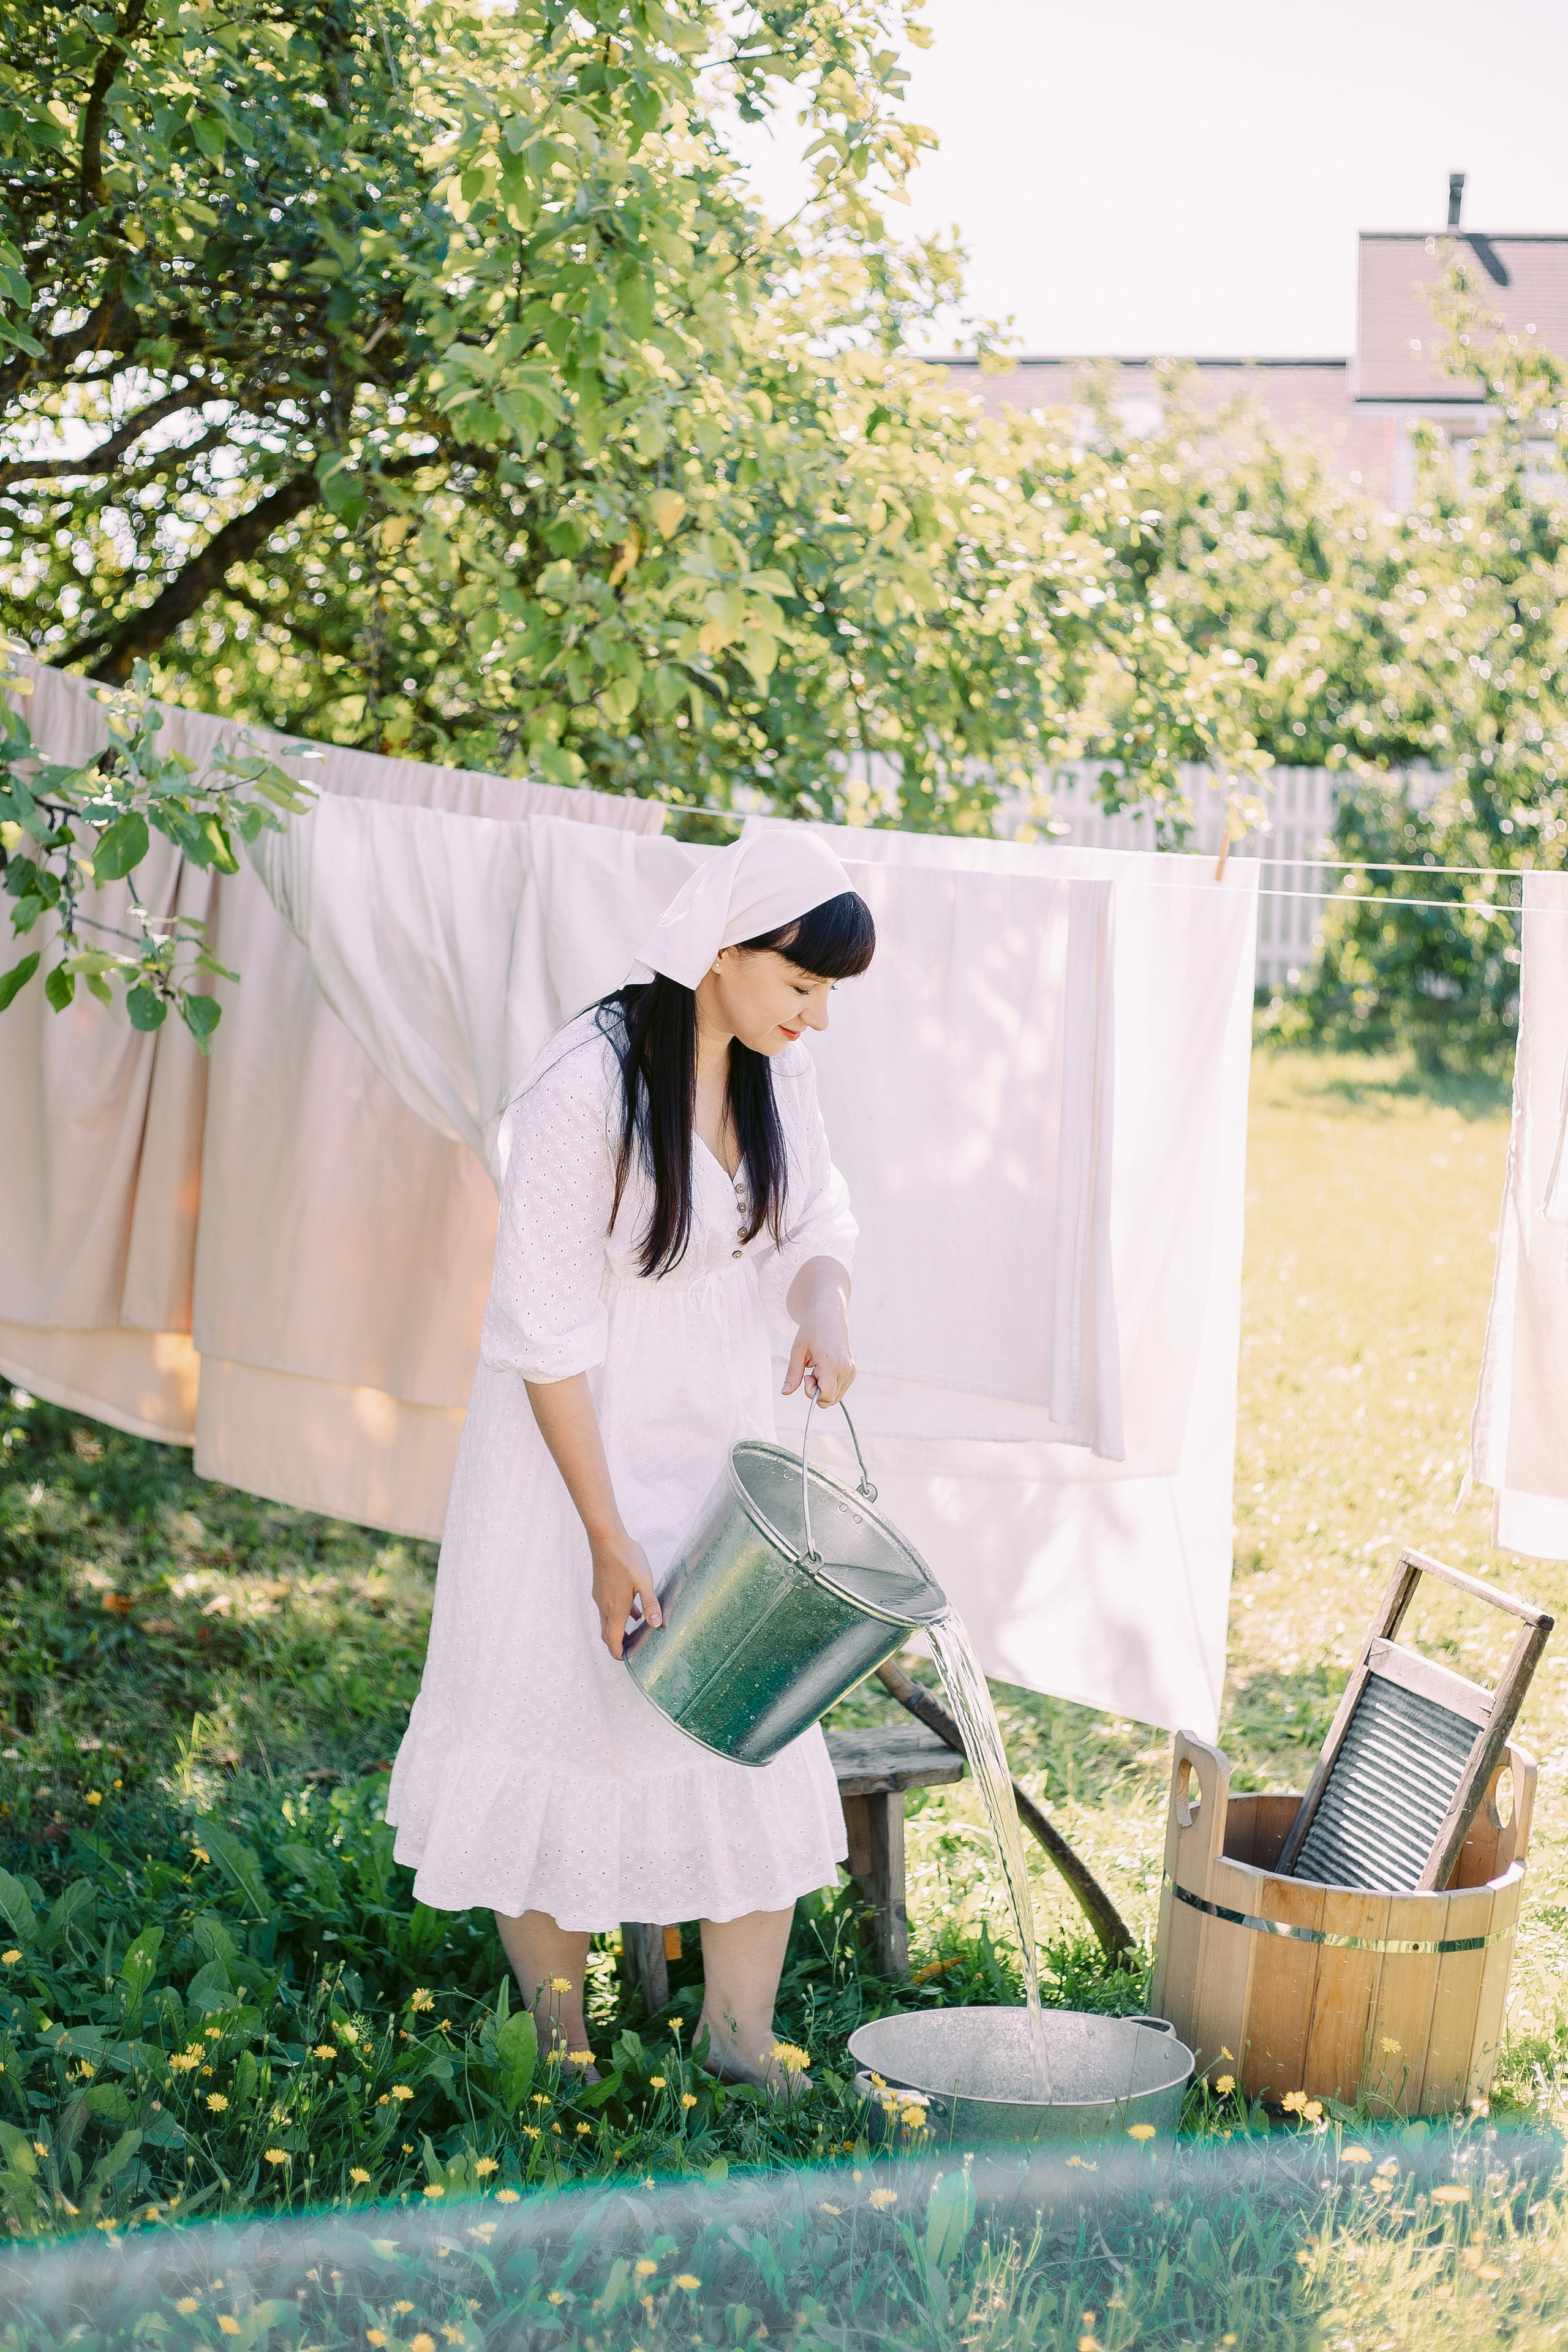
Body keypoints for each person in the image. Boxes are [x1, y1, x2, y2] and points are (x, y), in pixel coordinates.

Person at [386, 828, 876, 2089]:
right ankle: (559, 2050)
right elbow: (543, 1337)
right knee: (560, 1702)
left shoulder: (772, 1069)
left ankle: (737, 2040)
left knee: (737, 1703)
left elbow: (812, 1218)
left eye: (827, 993)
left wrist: (823, 1304)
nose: (817, 1017)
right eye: (802, 984)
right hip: (576, 1448)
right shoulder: (580, 1090)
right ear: (719, 953)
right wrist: (606, 1538)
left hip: (713, 1435)